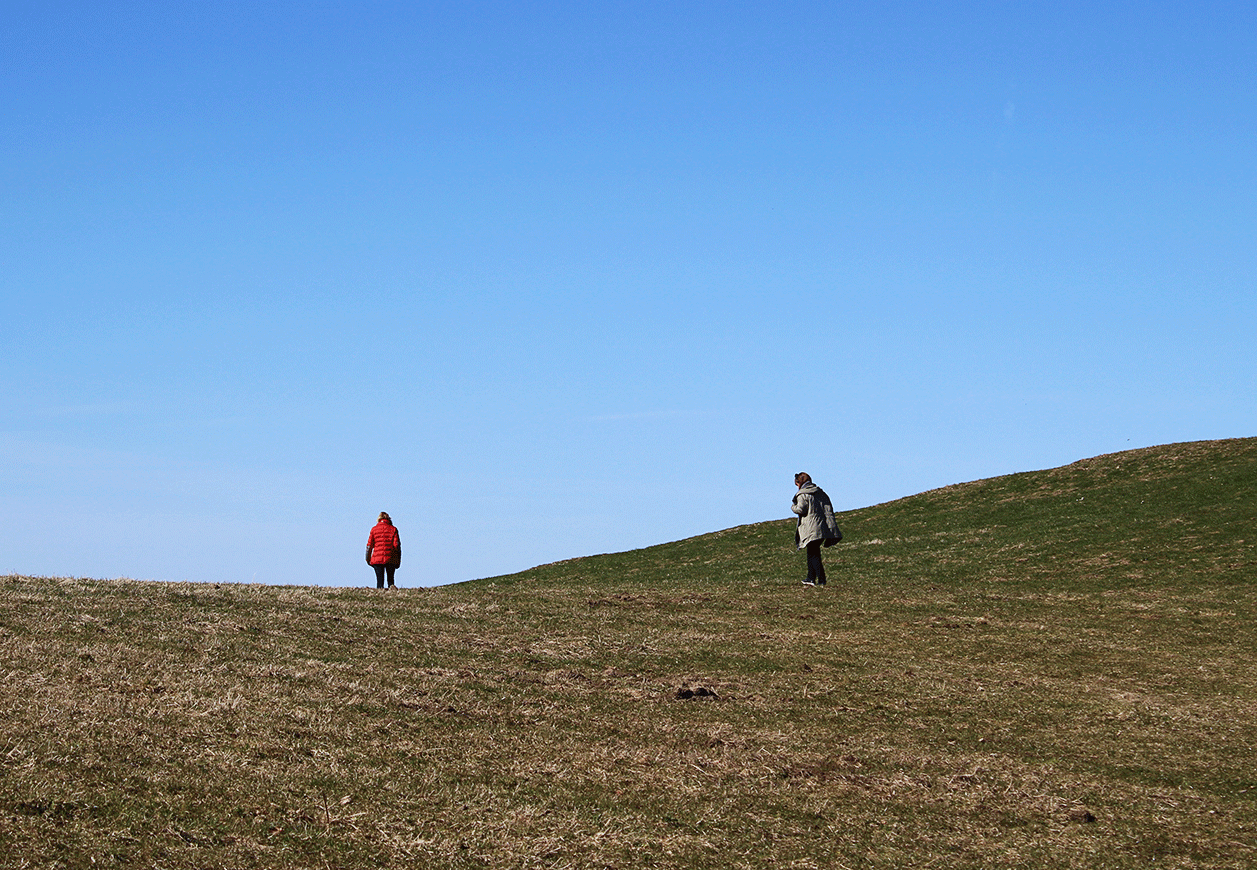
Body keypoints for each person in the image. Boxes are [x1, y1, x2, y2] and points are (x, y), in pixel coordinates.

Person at [791, 473, 842, 586]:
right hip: (822, 528)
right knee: (813, 553)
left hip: (810, 528)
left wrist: (793, 507)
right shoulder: (820, 492)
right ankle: (811, 578)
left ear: (799, 483)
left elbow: (801, 509)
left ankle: (820, 580)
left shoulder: (802, 494)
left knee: (813, 555)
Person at [365, 512, 401, 588]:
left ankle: (380, 592)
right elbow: (397, 545)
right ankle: (392, 592)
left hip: (377, 559)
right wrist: (398, 560)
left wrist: (368, 559)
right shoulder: (393, 529)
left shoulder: (374, 529)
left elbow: (369, 546)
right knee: (391, 580)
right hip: (391, 558)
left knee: (379, 581)